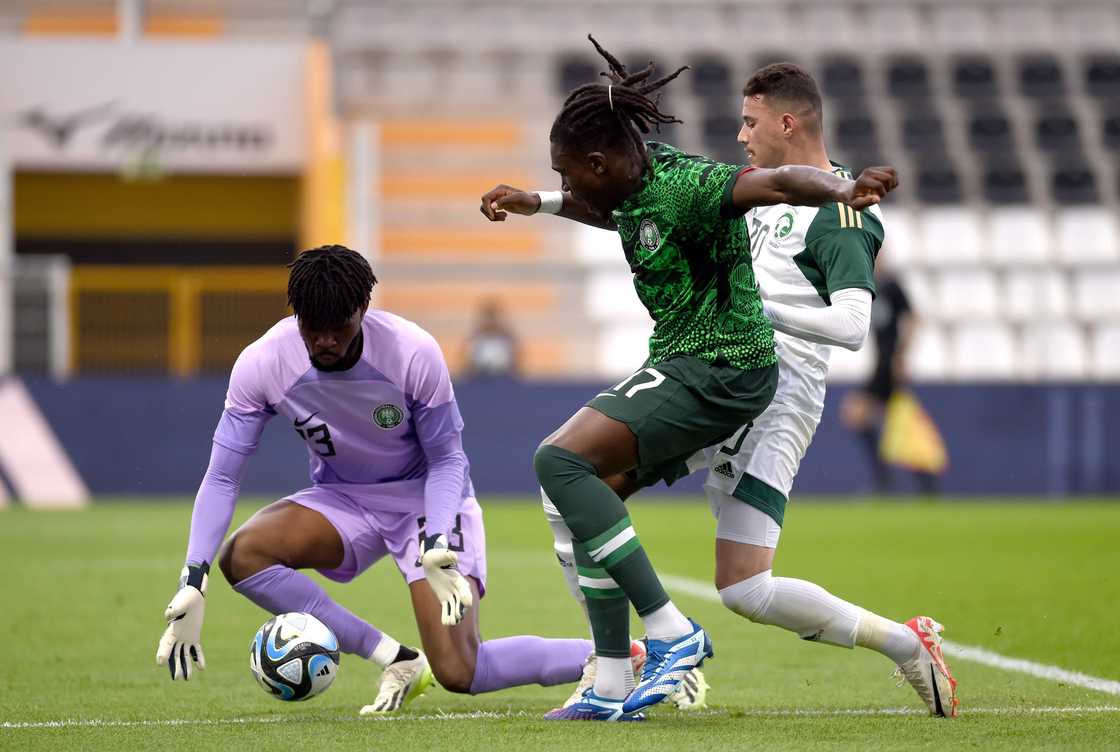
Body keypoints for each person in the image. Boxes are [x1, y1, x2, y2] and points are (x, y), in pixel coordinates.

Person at [480, 36, 896, 721]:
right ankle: (612, 680)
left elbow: (782, 184)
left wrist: (844, 189)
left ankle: (671, 632)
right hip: (686, 362)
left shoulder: (693, 185)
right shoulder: (634, 184)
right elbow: (604, 207)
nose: (567, 183)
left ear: (597, 161)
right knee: (579, 503)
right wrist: (538, 201)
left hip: (721, 368)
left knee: (559, 460)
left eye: (566, 172)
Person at [154, 245, 593, 714]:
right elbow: (222, 477)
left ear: (363, 309)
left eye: (337, 328)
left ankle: (619, 656)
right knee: (244, 555)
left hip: (426, 503)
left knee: (460, 670)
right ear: (295, 316)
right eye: (311, 329)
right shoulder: (263, 363)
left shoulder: (412, 352)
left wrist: (438, 540)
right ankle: (397, 659)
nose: (324, 342)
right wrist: (193, 579)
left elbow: (448, 460)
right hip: (344, 498)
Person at [841, 265, 940, 494]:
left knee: (866, 416)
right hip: (881, 364)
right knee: (884, 421)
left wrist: (902, 355)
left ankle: (890, 480)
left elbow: (914, 318)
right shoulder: (869, 287)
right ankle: (912, 481)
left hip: (890, 364)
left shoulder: (891, 285)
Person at [462, 298, 520, 378]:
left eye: (493, 317)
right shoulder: (475, 338)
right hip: (479, 380)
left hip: (504, 379)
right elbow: (466, 363)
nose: (490, 320)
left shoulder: (507, 338)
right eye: (488, 317)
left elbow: (516, 363)